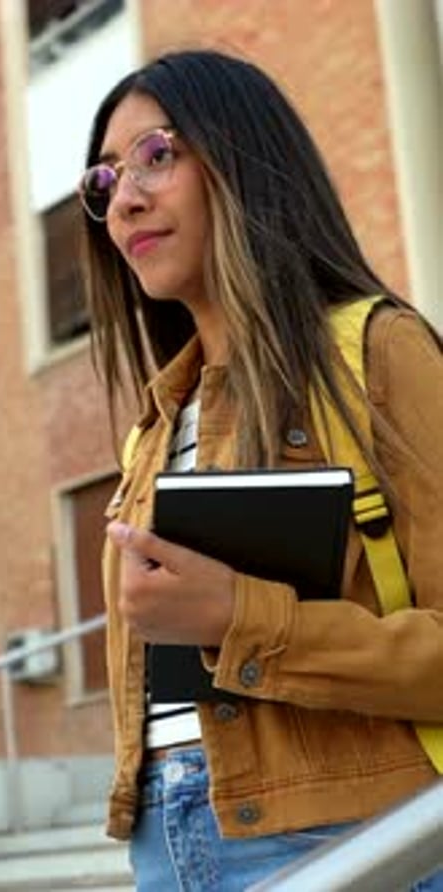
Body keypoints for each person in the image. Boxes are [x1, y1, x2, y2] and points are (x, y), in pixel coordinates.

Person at [77, 49, 443, 892]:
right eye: (104, 181)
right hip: (163, 844)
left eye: (156, 156)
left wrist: (239, 614)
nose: (123, 198)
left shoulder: (374, 353)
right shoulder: (152, 432)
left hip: (350, 834)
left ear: (243, 157)